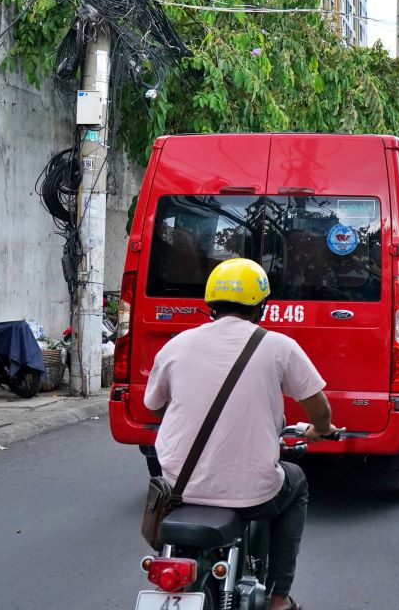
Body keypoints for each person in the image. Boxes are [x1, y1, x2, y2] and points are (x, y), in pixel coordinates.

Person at [144, 258, 336, 610]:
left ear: (210, 303)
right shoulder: (279, 346)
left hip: (177, 486)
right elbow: (319, 407)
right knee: (296, 482)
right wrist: (320, 430)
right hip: (251, 492)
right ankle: (278, 597)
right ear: (261, 305)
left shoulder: (178, 344)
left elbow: (155, 405)